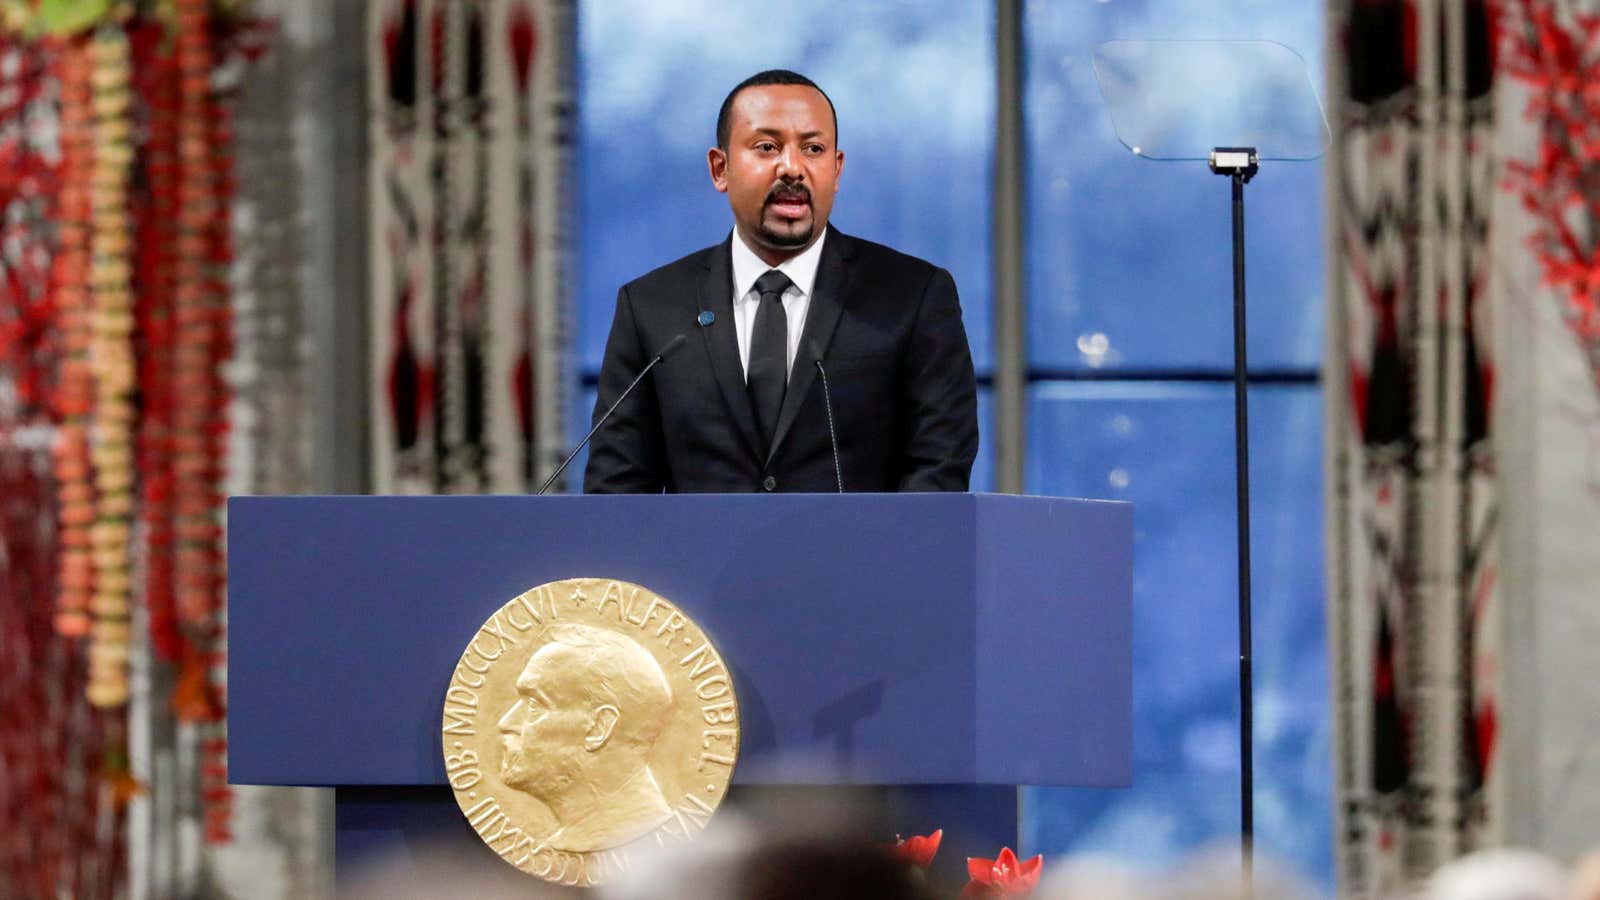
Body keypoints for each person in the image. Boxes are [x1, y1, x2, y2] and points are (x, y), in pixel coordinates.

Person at [583, 69, 978, 494]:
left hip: (859, 560)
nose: (792, 168)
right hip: (697, 561)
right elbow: (616, 491)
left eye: (813, 148)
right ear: (721, 168)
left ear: (837, 169)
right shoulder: (651, 308)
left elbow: (938, 472)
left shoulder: (912, 297)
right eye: (767, 147)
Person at [496, 624, 676, 852]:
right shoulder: (572, 838)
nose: (505, 722)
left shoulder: (633, 829)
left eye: (534, 705)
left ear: (599, 727)